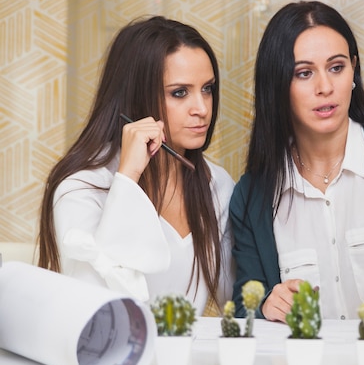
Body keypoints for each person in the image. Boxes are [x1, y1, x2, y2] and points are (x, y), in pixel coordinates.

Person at [230, 0, 364, 322]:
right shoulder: (252, 196)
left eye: (336, 67)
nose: (325, 87)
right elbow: (244, 307)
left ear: (354, 70)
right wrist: (266, 305)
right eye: (304, 73)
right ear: (278, 84)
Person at [38, 16, 234, 315]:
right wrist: (127, 179)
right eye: (179, 92)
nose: (202, 109)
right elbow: (95, 305)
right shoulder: (81, 188)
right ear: (135, 96)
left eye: (207, 89)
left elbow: (236, 300)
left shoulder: (217, 184)